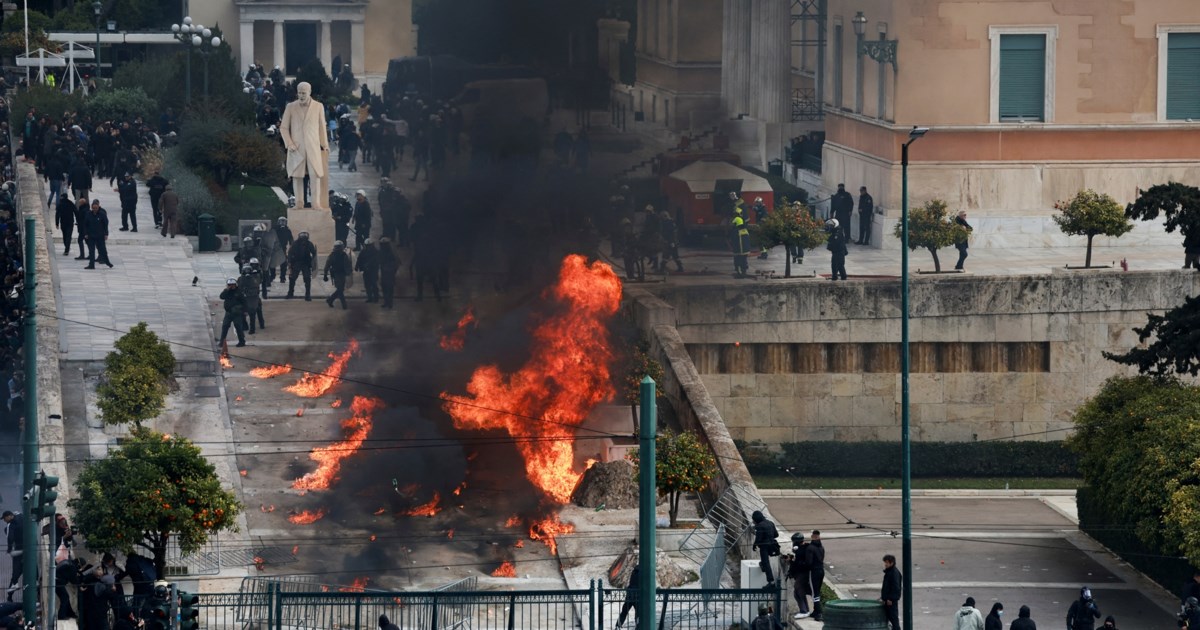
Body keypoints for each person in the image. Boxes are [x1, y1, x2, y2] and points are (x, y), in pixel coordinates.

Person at [280, 82, 330, 210]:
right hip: (296, 148)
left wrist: (324, 144)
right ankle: (299, 203)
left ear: (309, 92)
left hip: (313, 147)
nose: (301, 95)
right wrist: (289, 143)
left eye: (304, 93)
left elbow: (321, 127)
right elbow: (284, 127)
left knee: (315, 175)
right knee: (297, 176)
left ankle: (316, 203)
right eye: (299, 92)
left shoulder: (318, 106)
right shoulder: (290, 107)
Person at [750, 510, 780, 586]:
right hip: (772, 545)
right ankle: (762, 565)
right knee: (764, 563)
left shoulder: (759, 526)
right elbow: (776, 535)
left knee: (766, 563)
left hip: (764, 547)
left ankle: (771, 581)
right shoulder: (770, 523)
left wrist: (754, 545)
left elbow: (759, 539)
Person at [287, 231, 318, 300]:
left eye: (304, 239)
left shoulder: (309, 244)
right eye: (302, 239)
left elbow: (313, 253)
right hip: (296, 262)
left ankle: (307, 295)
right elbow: (290, 253)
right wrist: (289, 262)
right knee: (292, 278)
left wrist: (313, 262)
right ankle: (290, 293)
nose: (303, 241)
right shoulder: (295, 243)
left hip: (306, 263)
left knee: (307, 279)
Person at [787, 533, 811, 619]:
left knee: (798, 590)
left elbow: (804, 563)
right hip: (800, 573)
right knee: (798, 592)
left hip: (804, 573)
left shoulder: (805, 549)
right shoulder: (800, 549)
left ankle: (804, 610)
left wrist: (794, 561)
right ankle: (805, 609)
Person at [218, 278, 247, 347]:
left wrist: (245, 311)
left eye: (232, 285)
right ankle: (222, 342)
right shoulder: (227, 292)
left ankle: (242, 341)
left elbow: (244, 302)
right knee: (225, 326)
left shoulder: (239, 292)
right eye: (229, 285)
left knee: (238, 327)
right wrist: (227, 290)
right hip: (228, 313)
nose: (231, 286)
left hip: (237, 313)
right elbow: (221, 296)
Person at [84, 199, 113, 269]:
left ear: (98, 207)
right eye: (93, 208)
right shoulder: (88, 214)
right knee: (91, 251)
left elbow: (105, 224)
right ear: (91, 207)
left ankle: (108, 262)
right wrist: (86, 233)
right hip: (91, 236)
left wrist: (106, 234)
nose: (95, 209)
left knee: (103, 250)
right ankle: (91, 265)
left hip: (100, 235)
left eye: (96, 208)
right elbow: (85, 225)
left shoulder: (102, 214)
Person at [324, 240, 353, 309]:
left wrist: (349, 272)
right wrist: (325, 274)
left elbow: (348, 264)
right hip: (336, 274)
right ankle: (344, 305)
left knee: (341, 289)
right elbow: (327, 265)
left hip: (342, 274)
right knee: (340, 289)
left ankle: (330, 300)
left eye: (340, 247)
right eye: (338, 247)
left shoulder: (344, 255)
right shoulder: (332, 255)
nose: (339, 248)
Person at [805, 530, 825, 621]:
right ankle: (815, 611)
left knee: (814, 593)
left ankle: (819, 612)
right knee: (817, 591)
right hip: (821, 571)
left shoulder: (810, 548)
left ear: (812, 536)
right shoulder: (821, 547)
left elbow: (809, 562)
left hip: (814, 572)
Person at [2, 511, 22, 601]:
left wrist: (9, 550)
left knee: (15, 576)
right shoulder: (21, 516)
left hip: (19, 552)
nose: (4, 521)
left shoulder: (10, 527)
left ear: (9, 516)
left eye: (4, 518)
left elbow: (10, 538)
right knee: (33, 572)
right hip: (30, 549)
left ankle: (10, 596)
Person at [239, 264, 263, 334]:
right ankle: (260, 325)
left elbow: (240, 287)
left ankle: (250, 327)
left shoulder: (241, 279)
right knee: (255, 312)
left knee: (249, 312)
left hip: (250, 298)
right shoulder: (256, 278)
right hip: (253, 298)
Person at [880, 554, 902, 630]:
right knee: (891, 618)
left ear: (891, 563)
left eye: (887, 562)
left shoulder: (894, 573)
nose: (885, 564)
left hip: (891, 601)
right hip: (888, 599)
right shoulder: (890, 572)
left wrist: (890, 598)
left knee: (894, 619)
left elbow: (896, 587)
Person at [355, 238, 380, 303]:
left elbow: (376, 261)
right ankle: (370, 298)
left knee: (373, 284)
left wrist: (369, 265)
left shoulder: (375, 252)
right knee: (367, 285)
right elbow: (359, 259)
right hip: (366, 271)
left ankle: (376, 298)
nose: (368, 247)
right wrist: (357, 266)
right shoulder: (363, 251)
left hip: (373, 271)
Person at [271, 217, 294, 285]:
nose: (282, 223)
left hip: (283, 248)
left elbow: (291, 239)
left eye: (284, 221)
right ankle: (272, 276)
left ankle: (282, 277)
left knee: (283, 264)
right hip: (274, 248)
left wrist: (292, 246)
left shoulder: (287, 230)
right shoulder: (274, 229)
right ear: (278, 222)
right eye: (281, 221)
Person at [379, 237, 399, 309]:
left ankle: (389, 303)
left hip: (389, 274)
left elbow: (396, 263)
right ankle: (387, 302)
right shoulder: (382, 252)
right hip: (385, 273)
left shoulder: (391, 253)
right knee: (385, 288)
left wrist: (391, 270)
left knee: (389, 289)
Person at [731, 212, 751, 278]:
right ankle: (744, 272)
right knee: (744, 260)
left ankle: (739, 273)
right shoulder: (745, 230)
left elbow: (734, 240)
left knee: (738, 260)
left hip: (738, 250)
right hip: (745, 250)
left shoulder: (735, 231)